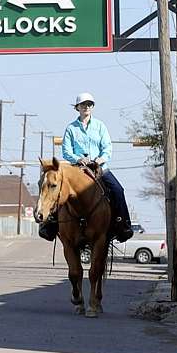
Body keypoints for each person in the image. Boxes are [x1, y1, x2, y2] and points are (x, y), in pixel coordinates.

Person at [60, 93, 133, 243]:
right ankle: (50, 225)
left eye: (89, 104)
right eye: (83, 104)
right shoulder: (71, 128)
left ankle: (123, 224)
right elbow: (66, 151)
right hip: (78, 169)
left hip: (99, 168)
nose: (86, 107)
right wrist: (79, 159)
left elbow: (107, 148)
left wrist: (100, 159)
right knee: (56, 189)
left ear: (92, 107)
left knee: (118, 190)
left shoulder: (100, 126)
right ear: (77, 108)